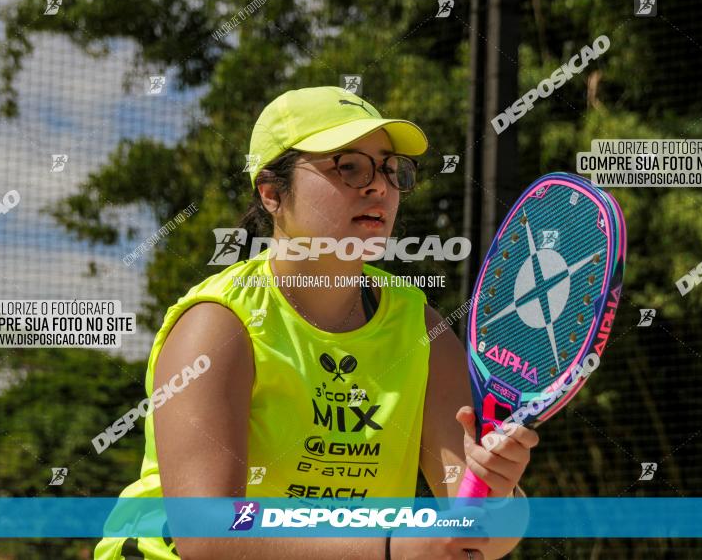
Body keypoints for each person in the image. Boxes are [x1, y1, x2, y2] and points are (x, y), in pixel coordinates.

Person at [94, 86, 539, 560]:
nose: (379, 186)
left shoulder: (421, 330)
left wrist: (500, 495)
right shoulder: (219, 326)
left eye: (391, 169)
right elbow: (208, 535)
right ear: (271, 193)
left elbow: (476, 534)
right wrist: (390, 548)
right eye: (348, 166)